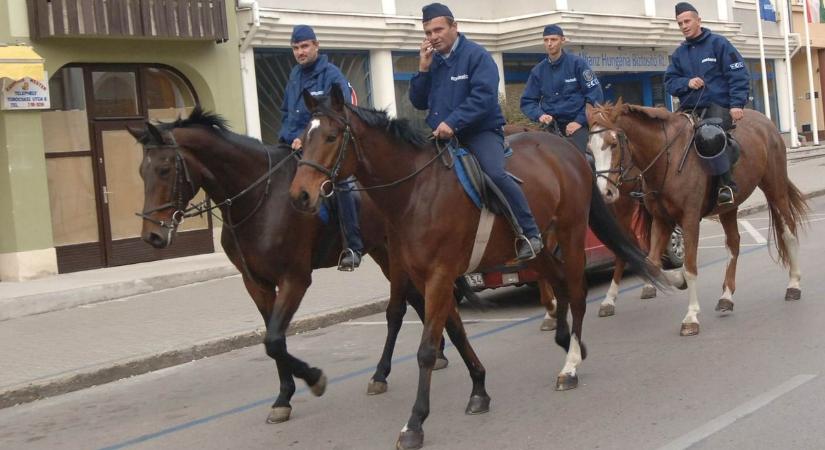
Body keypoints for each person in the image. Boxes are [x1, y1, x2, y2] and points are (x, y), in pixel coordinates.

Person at [409, 3, 543, 261]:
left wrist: (452, 122)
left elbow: (482, 98)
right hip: (442, 136)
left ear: (454, 27)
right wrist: (423, 69)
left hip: (480, 132)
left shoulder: (477, 56)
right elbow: (418, 101)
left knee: (494, 173)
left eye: (438, 29)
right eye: (428, 32)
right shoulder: (433, 62)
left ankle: (530, 233)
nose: (433, 37)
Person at [278, 25, 364, 270]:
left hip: (323, 149)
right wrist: (291, 136)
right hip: (292, 145)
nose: (300, 52)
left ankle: (352, 247)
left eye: (304, 46)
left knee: (343, 186)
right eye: (295, 48)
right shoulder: (294, 75)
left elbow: (340, 117)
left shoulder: (332, 75)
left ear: (316, 46)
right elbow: (285, 113)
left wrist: (304, 139)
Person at [664, 2, 749, 205]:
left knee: (709, 135)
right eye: (680, 23)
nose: (684, 26)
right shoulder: (679, 54)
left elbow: (738, 74)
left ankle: (725, 185)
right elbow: (669, 83)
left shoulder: (719, 44)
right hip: (690, 107)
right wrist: (686, 82)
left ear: (698, 20)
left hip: (718, 104)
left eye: (687, 21)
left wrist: (737, 104)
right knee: (668, 136)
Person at [520, 24, 604, 161]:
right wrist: (540, 115)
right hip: (551, 127)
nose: (549, 44)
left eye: (553, 40)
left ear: (562, 40)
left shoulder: (578, 64)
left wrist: (579, 121)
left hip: (578, 126)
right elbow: (527, 102)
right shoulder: (538, 71)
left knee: (582, 161)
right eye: (546, 40)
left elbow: (595, 96)